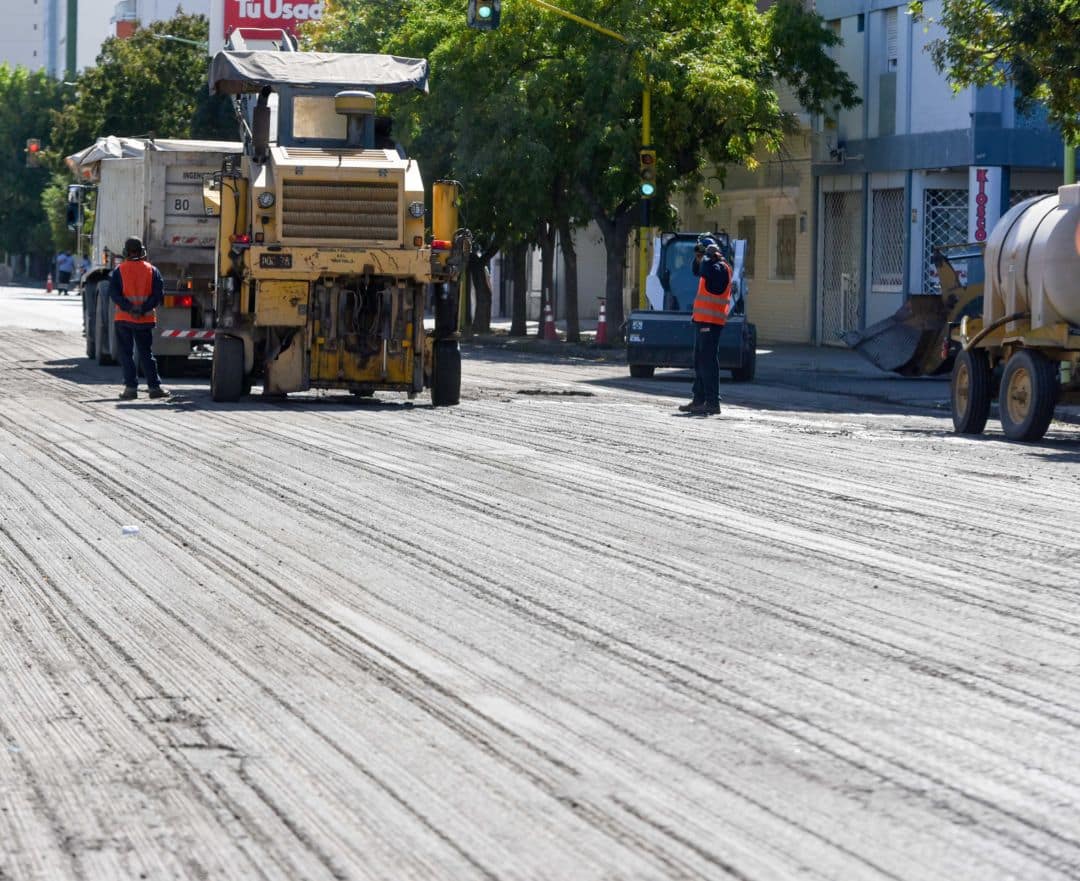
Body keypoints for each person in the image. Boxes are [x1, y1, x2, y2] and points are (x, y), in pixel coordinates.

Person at [107, 237, 168, 401]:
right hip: (144, 320)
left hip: (124, 319)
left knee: (126, 354)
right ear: (142, 251)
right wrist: (143, 309)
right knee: (146, 353)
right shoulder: (152, 270)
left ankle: (130, 389)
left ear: (126, 252)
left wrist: (129, 308)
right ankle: (154, 388)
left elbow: (114, 294)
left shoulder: (119, 271)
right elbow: (158, 295)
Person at [678, 236, 732, 416]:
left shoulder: (720, 269)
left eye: (704, 253)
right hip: (702, 321)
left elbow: (708, 271)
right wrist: (701, 256)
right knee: (700, 361)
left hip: (711, 322)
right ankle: (699, 400)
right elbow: (697, 270)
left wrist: (709, 256)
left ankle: (712, 402)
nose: (702, 258)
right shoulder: (709, 266)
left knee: (708, 362)